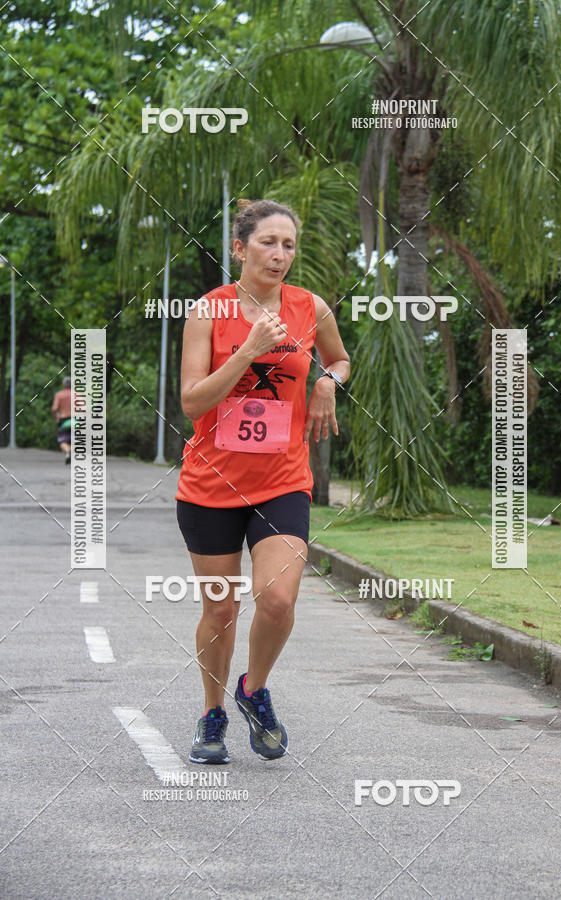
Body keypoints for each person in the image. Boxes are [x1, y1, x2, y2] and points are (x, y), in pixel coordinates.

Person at [176, 199, 350, 764]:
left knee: (277, 598)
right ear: (239, 248)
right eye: (268, 243)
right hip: (210, 484)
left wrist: (325, 382)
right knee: (221, 609)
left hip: (281, 479)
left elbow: (340, 360)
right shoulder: (209, 311)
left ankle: (254, 690)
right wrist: (247, 351)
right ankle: (212, 712)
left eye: (289, 245)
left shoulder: (310, 308)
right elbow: (191, 401)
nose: (280, 255)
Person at [52, 376, 72, 465]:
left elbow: (54, 409)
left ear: (63, 385)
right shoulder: (77, 395)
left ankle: (68, 452)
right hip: (75, 420)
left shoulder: (59, 395)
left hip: (63, 420)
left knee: (63, 441)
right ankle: (71, 451)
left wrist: (56, 418)